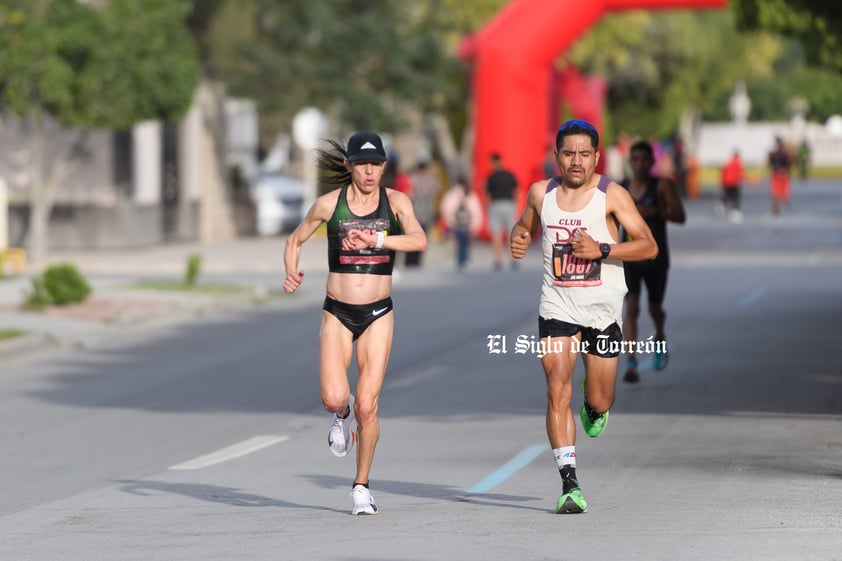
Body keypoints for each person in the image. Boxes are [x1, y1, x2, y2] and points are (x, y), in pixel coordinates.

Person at [510, 119, 658, 514]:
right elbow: (524, 226)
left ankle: (595, 407)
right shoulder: (541, 193)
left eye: (584, 154)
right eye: (569, 153)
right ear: (556, 156)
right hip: (556, 306)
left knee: (601, 398)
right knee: (556, 387)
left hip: (602, 311)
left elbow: (648, 246)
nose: (576, 161)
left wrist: (603, 251)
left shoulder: (612, 196)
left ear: (597, 157)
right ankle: (569, 484)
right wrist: (518, 236)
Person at [283, 131, 427, 515]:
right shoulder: (330, 205)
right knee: (335, 397)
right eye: (362, 164)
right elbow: (295, 240)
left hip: (378, 312)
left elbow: (419, 241)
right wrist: (291, 272)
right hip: (338, 311)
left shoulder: (395, 202)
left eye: (376, 164)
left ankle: (361, 485)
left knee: (368, 405)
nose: (369, 171)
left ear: (383, 166)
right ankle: (338, 414)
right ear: (348, 165)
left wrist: (377, 242)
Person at [619, 141, 686, 383]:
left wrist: (656, 212)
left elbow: (680, 216)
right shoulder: (621, 189)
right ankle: (631, 361)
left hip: (656, 257)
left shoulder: (662, 186)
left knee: (654, 308)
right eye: (635, 160)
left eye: (644, 160)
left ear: (652, 162)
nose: (640, 165)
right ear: (630, 162)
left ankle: (659, 335)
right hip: (628, 256)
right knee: (632, 306)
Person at [440, 176, 482, 270]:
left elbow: (445, 207)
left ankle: (460, 259)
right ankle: (464, 258)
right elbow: (476, 210)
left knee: (459, 242)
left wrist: (449, 222)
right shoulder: (470, 193)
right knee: (465, 242)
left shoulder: (452, 193)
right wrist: (476, 225)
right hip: (467, 223)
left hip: (456, 223)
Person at [485, 152, 518, 270]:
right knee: (511, 232)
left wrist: (486, 207)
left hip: (495, 204)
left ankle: (498, 259)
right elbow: (516, 190)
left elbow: (487, 194)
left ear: (494, 162)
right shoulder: (509, 175)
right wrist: (516, 205)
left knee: (496, 233)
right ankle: (513, 258)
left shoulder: (491, 177)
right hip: (509, 204)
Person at [405, 159, 441, 268]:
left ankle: (409, 261)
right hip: (426, 214)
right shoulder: (431, 180)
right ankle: (417, 262)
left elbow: (408, 194)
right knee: (422, 237)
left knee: (411, 236)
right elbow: (437, 190)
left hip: (414, 213)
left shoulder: (412, 179)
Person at [768, 136, 793, 217]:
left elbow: (789, 163)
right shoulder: (778, 154)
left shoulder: (780, 154)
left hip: (781, 175)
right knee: (776, 193)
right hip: (778, 174)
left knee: (780, 193)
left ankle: (780, 205)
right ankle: (776, 208)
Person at [719, 149, 745, 223]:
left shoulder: (728, 162)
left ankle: (721, 206)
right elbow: (741, 174)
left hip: (726, 182)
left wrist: (722, 182)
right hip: (733, 182)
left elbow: (723, 171)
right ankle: (735, 213)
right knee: (736, 197)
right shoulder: (737, 162)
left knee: (728, 196)